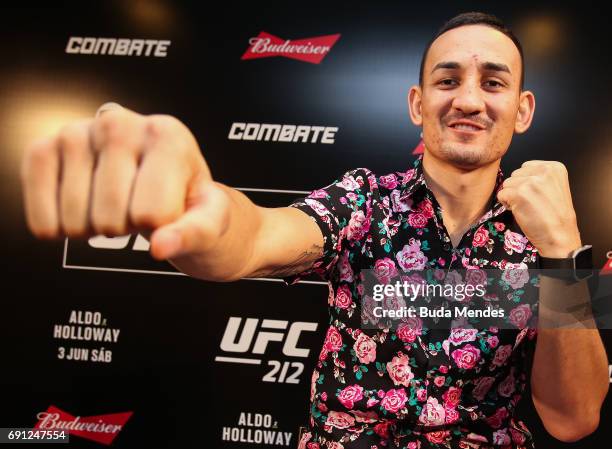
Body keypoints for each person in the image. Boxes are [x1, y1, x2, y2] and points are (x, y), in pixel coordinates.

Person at [20, 11, 608, 449]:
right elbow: (253, 237)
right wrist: (195, 205)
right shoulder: (364, 201)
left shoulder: (554, 233)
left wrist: (563, 256)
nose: (469, 100)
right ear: (417, 103)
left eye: (494, 82)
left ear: (523, 109)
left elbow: (573, 418)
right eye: (447, 80)